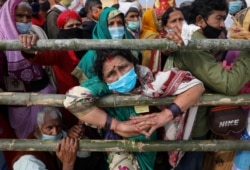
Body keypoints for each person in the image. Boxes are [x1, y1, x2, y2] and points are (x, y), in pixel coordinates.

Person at [64, 49, 204, 169]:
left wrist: (164, 115)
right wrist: (116, 125)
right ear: (103, 79)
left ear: (134, 64)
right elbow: (73, 99)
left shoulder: (150, 80)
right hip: (120, 147)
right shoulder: (104, 86)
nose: (120, 76)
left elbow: (196, 86)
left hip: (150, 146)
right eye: (111, 74)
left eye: (123, 67)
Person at [151, 0, 250, 169]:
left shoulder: (198, 37)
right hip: (191, 128)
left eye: (224, 19)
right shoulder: (194, 43)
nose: (221, 25)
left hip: (194, 122)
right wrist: (247, 50)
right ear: (200, 20)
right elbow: (229, 85)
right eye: (218, 18)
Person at [0, 0, 55, 139]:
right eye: (19, 16)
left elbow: (49, 62)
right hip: (18, 101)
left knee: (50, 133)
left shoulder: (37, 32)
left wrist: (35, 48)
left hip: (44, 93)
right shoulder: (1, 39)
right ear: (9, 15)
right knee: (26, 141)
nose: (24, 20)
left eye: (28, 17)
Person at [73, 7, 138, 82]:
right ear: (103, 27)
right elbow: (87, 87)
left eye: (120, 23)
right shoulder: (91, 57)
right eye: (111, 24)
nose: (116, 27)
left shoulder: (132, 49)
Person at [11, 106, 79, 170]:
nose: (55, 132)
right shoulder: (29, 162)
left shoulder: (60, 133)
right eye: (49, 128)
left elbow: (85, 154)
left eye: (58, 127)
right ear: (38, 129)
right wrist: (68, 165)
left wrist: (76, 136)